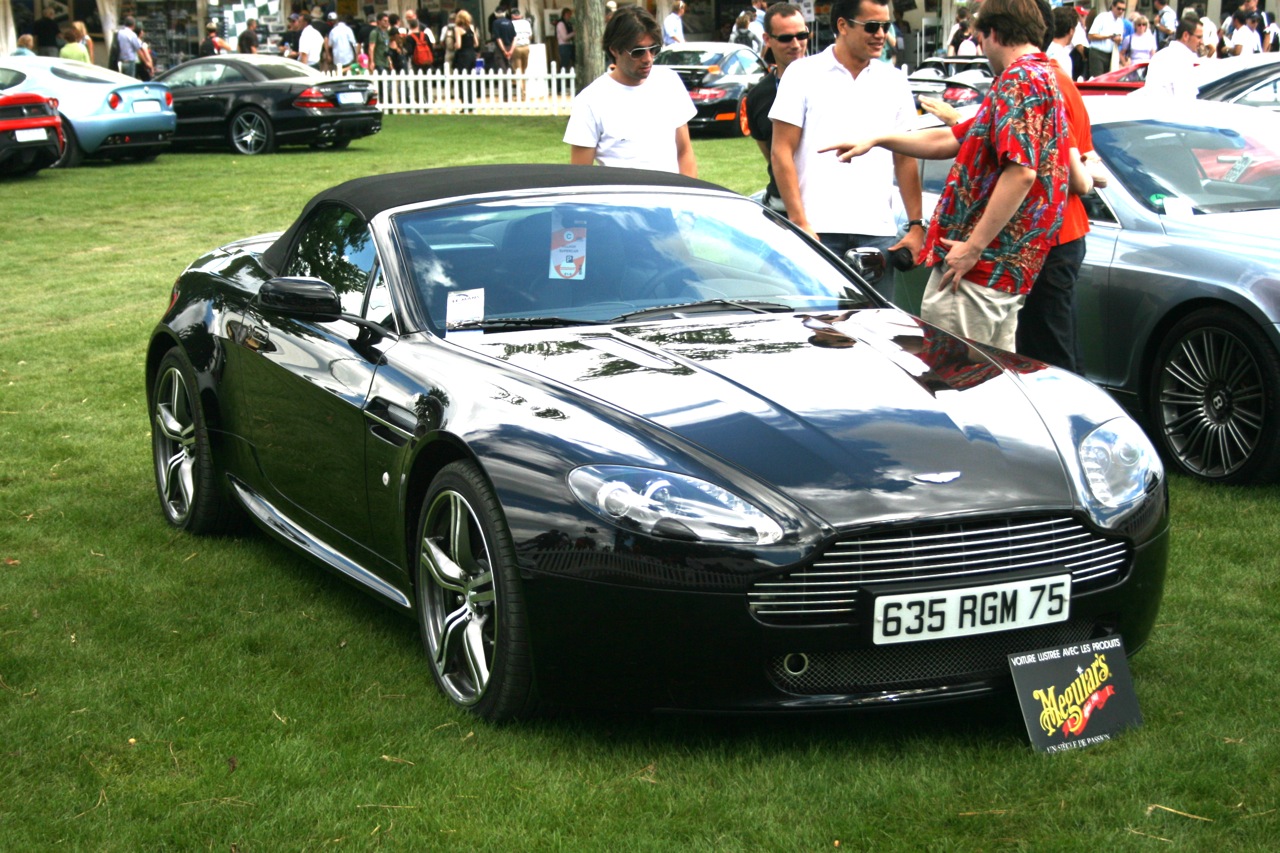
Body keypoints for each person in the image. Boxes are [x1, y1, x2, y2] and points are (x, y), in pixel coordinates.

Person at [821, 0, 1071, 352]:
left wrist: (973, 247)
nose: (981, 49)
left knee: (953, 380)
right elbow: (950, 138)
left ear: (994, 33)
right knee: (992, 384)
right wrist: (878, 139)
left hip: (974, 274)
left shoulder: (1019, 80)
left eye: (980, 38)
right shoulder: (1044, 75)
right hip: (1002, 275)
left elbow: (1021, 173)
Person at [769, 0, 924, 304]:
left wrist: (916, 226)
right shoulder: (802, 74)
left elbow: (905, 158)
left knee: (878, 334)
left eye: (885, 26)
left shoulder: (893, 80)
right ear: (842, 25)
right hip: (817, 230)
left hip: (877, 232)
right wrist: (800, 223)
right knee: (818, 332)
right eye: (871, 26)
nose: (881, 34)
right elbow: (780, 152)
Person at [564, 5, 697, 175]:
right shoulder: (590, 101)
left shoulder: (670, 82)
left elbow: (684, 152)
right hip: (621, 201)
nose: (648, 59)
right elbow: (581, 176)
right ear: (614, 49)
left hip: (671, 199)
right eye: (638, 52)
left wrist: (688, 197)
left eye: (654, 50)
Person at [745, 3, 809, 215]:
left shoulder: (830, 83)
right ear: (767, 39)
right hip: (780, 208)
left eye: (801, 35)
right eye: (785, 38)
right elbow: (770, 151)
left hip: (825, 205)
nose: (796, 44)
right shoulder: (758, 96)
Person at [1143, 17, 1203, 97]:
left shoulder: (1159, 56)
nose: (1201, 42)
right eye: (1199, 37)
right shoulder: (1183, 60)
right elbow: (1185, 100)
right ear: (1185, 36)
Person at [1087, 0, 1126, 78]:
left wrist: (1118, 39)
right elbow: (1091, 35)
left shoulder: (1120, 22)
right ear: (1113, 7)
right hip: (1097, 53)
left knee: (1108, 79)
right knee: (1098, 79)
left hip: (1111, 54)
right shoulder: (1102, 17)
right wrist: (1108, 37)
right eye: (1119, 8)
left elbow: (1119, 38)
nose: (1121, 11)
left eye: (1123, 9)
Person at [510, 9, 534, 97]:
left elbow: (510, 37)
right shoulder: (526, 23)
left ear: (512, 16)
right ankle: (524, 90)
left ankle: (521, 92)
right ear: (520, 15)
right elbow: (530, 35)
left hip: (516, 47)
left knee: (517, 70)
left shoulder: (511, 24)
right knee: (524, 70)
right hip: (526, 47)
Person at [493, 6, 516, 71]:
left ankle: (505, 81)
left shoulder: (495, 23)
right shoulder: (510, 22)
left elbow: (498, 38)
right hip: (510, 47)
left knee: (502, 69)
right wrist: (511, 51)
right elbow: (515, 38)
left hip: (500, 50)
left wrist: (504, 51)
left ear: (496, 14)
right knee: (510, 68)